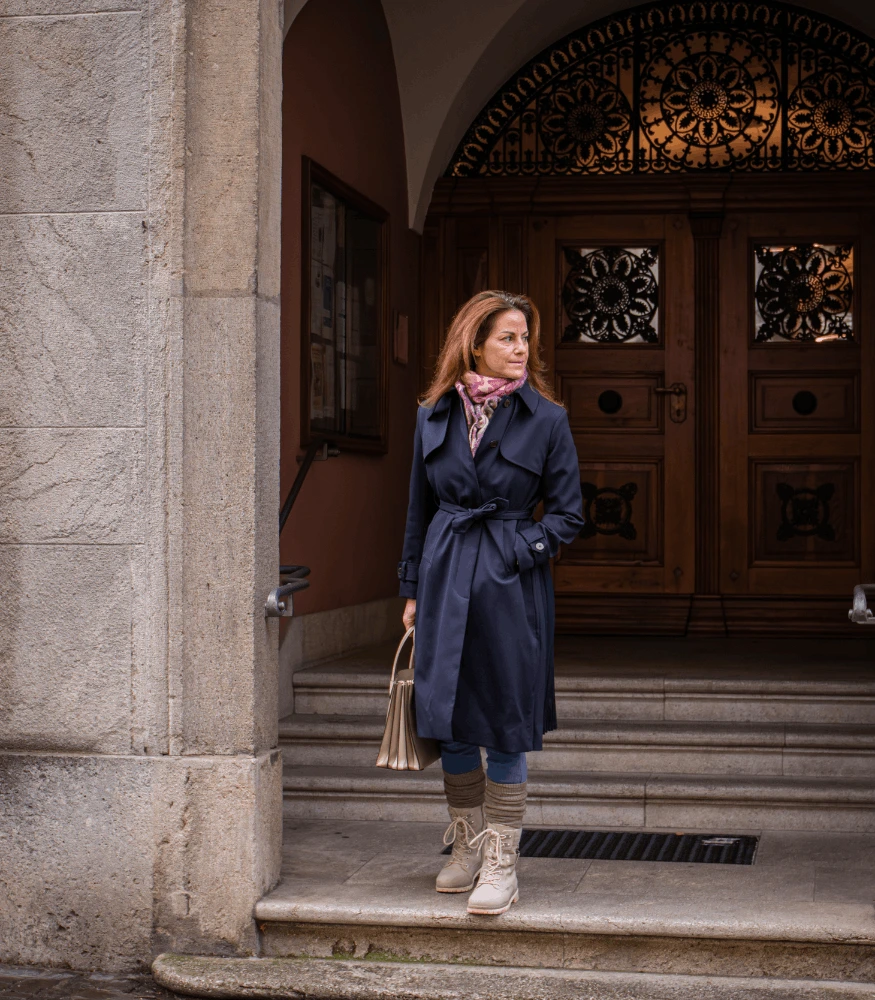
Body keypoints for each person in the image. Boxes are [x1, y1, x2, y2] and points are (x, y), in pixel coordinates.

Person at [397, 290, 584, 916]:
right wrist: (411, 589)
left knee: (504, 718)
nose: (521, 348)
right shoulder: (433, 415)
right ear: (474, 343)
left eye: (525, 338)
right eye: (508, 337)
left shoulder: (546, 419)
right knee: (445, 716)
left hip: (510, 585)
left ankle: (503, 860)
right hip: (445, 573)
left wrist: (516, 547)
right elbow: (417, 511)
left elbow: (567, 515)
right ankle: (469, 844)